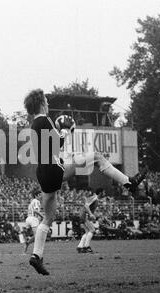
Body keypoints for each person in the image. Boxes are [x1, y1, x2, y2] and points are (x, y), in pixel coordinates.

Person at [23, 89, 146, 275]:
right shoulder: (45, 120)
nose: (48, 104)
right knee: (97, 157)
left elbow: (46, 149)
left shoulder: (33, 124)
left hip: (42, 172)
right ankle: (129, 183)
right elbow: (57, 144)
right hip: (54, 168)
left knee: (48, 217)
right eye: (46, 101)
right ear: (41, 103)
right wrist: (64, 132)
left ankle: (36, 257)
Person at [76, 188, 105, 253]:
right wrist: (90, 214)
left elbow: (88, 207)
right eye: (104, 192)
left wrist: (95, 216)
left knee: (87, 231)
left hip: (83, 214)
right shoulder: (95, 198)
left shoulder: (95, 199)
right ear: (100, 192)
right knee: (92, 230)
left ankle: (80, 247)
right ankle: (86, 247)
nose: (105, 194)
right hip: (84, 214)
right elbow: (86, 205)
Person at [24, 188, 43, 252]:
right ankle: (36, 251)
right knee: (38, 236)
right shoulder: (36, 201)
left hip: (28, 219)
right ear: (36, 196)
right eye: (40, 195)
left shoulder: (32, 201)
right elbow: (35, 211)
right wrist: (42, 216)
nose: (41, 196)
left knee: (36, 235)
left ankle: (28, 242)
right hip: (33, 219)